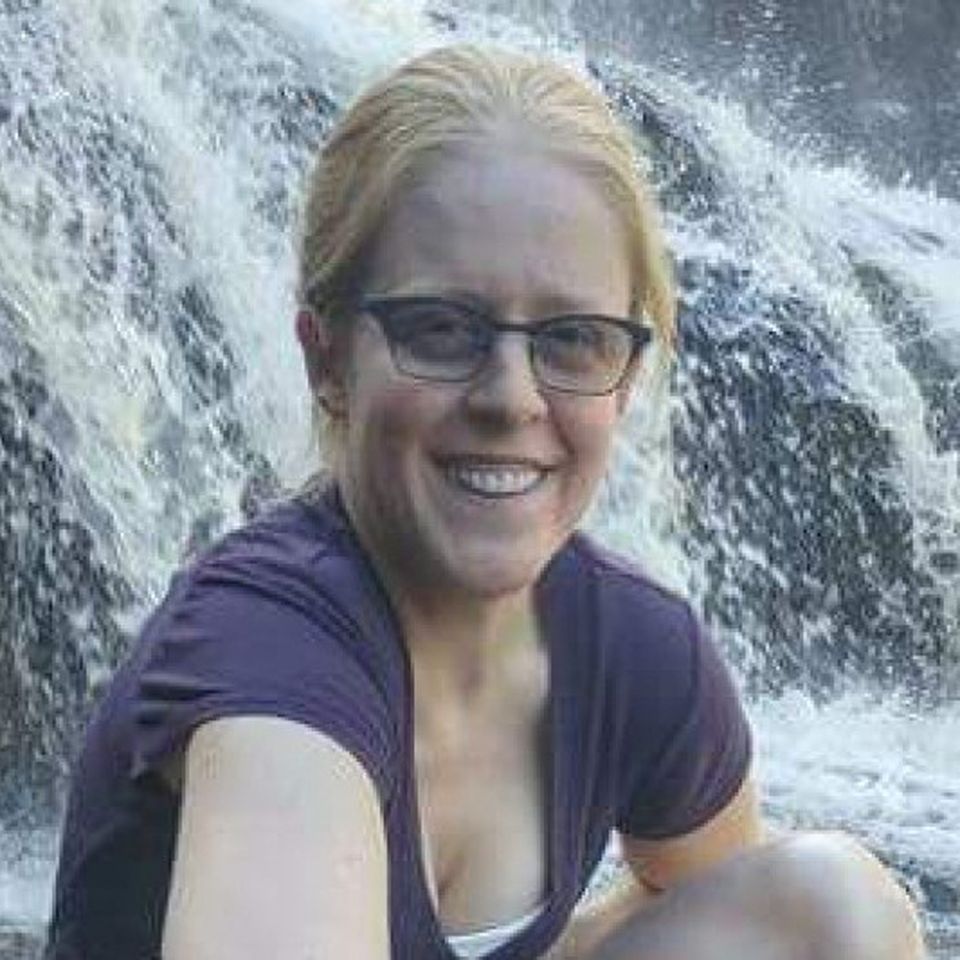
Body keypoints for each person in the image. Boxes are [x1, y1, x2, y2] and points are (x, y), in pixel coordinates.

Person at [45, 44, 925, 960]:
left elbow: (752, 918)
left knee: (832, 908)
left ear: (625, 377)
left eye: (574, 339)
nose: (511, 397)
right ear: (326, 358)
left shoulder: (632, 651)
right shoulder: (269, 657)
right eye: (441, 328)